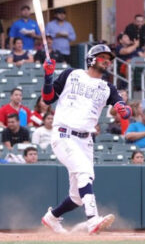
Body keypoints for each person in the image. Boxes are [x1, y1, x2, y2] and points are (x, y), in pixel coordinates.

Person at [41, 44, 133, 234]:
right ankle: (93, 220)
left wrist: (126, 110)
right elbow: (48, 98)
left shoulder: (108, 87)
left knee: (76, 196)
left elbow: (123, 108)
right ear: (91, 59)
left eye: (109, 58)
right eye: (102, 57)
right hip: (64, 134)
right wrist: (48, 76)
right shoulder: (71, 74)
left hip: (85, 140)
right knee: (84, 173)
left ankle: (52, 217)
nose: (107, 61)